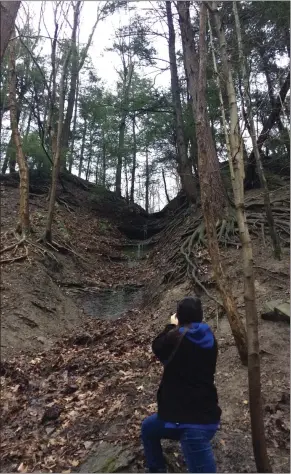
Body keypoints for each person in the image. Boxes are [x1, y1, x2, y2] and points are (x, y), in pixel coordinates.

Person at [141, 296, 221, 473]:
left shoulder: (175, 337)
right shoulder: (209, 337)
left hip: (190, 422)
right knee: (148, 427)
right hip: (206, 413)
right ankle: (157, 468)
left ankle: (157, 468)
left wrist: (171, 326)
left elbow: (158, 346)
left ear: (180, 316)